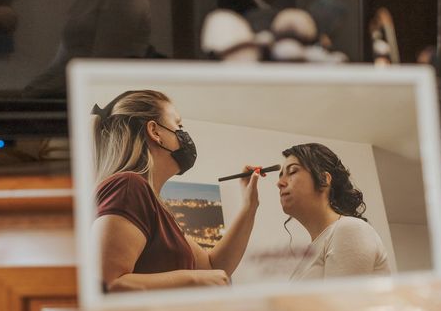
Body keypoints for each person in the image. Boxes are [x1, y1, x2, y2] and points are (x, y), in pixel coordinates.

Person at [92, 89, 262, 292]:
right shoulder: (129, 186)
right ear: (155, 132)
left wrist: (249, 206)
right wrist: (192, 280)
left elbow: (212, 267)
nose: (183, 133)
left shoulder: (155, 206)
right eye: (178, 125)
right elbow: (107, 283)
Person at [277, 143, 390, 280]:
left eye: (293, 171)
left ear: (324, 179)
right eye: (280, 175)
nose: (280, 183)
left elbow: (342, 301)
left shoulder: (349, 229)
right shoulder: (314, 250)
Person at [23, 0, 152, 98]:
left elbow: (103, 64)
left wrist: (41, 90)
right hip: (66, 91)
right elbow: (64, 59)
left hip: (93, 97)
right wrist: (33, 88)